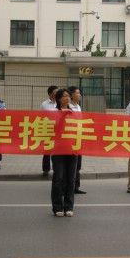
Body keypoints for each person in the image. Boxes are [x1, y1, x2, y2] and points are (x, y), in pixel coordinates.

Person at [51, 89, 77, 217]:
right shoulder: (54, 112)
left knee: (71, 179)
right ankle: (57, 207)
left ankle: (69, 207)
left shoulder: (74, 112)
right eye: (64, 96)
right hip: (58, 150)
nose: (67, 98)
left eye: (68, 96)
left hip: (72, 149)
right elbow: (53, 128)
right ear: (59, 99)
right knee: (59, 178)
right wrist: (62, 116)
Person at [67, 86, 86, 194]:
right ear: (72, 95)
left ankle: (76, 187)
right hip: (70, 139)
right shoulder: (68, 107)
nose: (80, 95)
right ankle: (69, 186)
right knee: (71, 164)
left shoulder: (78, 106)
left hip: (78, 138)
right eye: (78, 93)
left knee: (78, 164)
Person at [40, 86, 58, 176]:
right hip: (47, 129)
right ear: (50, 94)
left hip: (58, 130)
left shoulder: (60, 103)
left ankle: (56, 168)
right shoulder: (44, 104)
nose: (57, 94)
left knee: (57, 151)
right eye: (55, 92)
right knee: (47, 151)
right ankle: (46, 169)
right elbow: (41, 117)